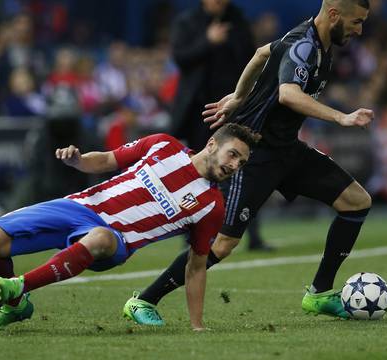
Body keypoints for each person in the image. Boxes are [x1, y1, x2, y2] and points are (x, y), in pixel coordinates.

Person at [123, 0, 373, 325]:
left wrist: (240, 95)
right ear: (335, 15)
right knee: (223, 243)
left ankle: (319, 294)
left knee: (357, 202)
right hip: (254, 152)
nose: (360, 30)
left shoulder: (314, 41)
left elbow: (260, 53)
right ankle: (143, 300)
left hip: (287, 150)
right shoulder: (304, 46)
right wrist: (341, 117)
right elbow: (288, 94)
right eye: (356, 22)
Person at [0, 123, 260, 332]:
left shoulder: (212, 206)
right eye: (233, 154)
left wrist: (197, 325)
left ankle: (18, 286)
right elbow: (109, 159)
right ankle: (16, 306)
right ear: (212, 144)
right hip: (78, 207)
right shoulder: (163, 145)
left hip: (115, 241)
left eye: (242, 162)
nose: (235, 165)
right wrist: (79, 161)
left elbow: (196, 266)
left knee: (99, 237)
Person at [170, 0, 272, 251]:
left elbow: (253, 59)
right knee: (200, 171)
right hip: (201, 111)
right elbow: (180, 58)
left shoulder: (238, 20)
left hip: (234, 108)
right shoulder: (188, 21)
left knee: (245, 170)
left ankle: (252, 235)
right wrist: (207, 41)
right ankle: (192, 235)